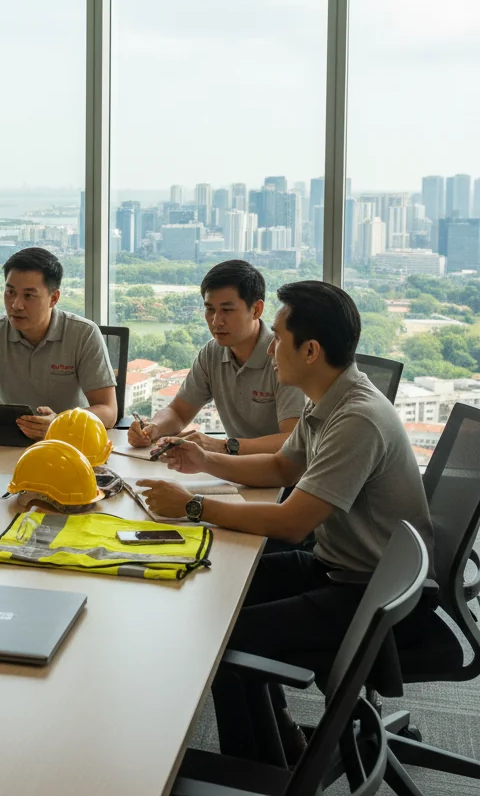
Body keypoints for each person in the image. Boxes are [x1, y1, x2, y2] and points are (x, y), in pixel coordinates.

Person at [138, 281, 434, 763]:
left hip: (368, 596)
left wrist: (192, 507)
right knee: (213, 587)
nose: (271, 347)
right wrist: (203, 461)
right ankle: (279, 738)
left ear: (311, 350)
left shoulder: (357, 418)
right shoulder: (330, 399)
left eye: (277, 335)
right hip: (340, 567)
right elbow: (281, 468)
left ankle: (258, 769)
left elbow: (293, 522)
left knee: (224, 641)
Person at [128, 260, 305, 455]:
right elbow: (178, 412)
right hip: (236, 471)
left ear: (256, 310)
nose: (216, 321)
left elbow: (293, 440)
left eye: (227, 310)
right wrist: (153, 428)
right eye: (210, 309)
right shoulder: (212, 352)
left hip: (284, 477)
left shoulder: (283, 355)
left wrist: (223, 446)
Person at [0, 247, 117, 440]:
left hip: (68, 442)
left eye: (28, 296)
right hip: (9, 442)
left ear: (54, 298)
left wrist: (59, 423)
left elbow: (108, 412)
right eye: (10, 292)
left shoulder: (83, 333)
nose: (16, 305)